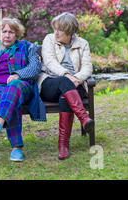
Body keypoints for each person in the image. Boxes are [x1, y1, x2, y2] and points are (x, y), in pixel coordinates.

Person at [0, 17, 46, 162]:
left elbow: (35, 68)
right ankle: (16, 148)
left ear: (17, 35)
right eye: (4, 31)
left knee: (13, 88)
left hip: (22, 86)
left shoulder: (27, 47)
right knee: (10, 99)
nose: (7, 35)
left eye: (11, 32)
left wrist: (18, 75)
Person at [38, 12, 94, 160]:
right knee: (65, 82)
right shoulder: (49, 39)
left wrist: (77, 78)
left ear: (69, 31)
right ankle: (84, 118)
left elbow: (88, 68)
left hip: (74, 85)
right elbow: (50, 62)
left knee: (66, 97)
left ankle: (63, 146)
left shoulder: (82, 44)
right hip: (50, 82)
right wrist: (67, 75)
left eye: (60, 30)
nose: (55, 32)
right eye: (55, 28)